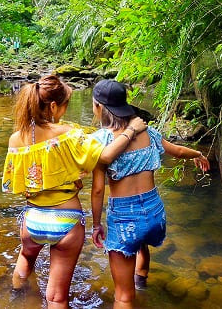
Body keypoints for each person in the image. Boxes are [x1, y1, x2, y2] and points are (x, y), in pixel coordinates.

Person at [2, 75, 147, 308]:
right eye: (65, 105)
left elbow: (16, 182)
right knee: (56, 297)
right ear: (52, 106)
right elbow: (106, 155)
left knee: (26, 259)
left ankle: (17, 297)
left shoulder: (15, 139)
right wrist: (131, 130)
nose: (64, 111)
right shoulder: (70, 134)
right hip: (66, 222)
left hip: (32, 220)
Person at [89, 79, 210, 308]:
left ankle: (134, 293)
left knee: (123, 297)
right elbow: (177, 150)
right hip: (154, 213)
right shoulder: (149, 132)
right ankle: (141, 283)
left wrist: (96, 225)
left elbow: (97, 189)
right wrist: (197, 153)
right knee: (141, 241)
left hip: (125, 218)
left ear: (99, 108)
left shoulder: (101, 141)